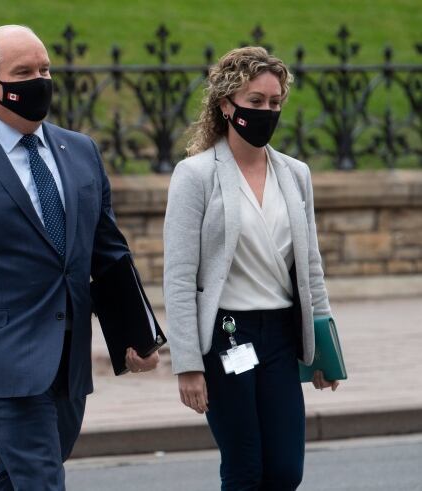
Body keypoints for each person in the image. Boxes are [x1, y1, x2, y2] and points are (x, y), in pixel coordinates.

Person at [0, 24, 159, 490]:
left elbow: (107, 251)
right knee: (42, 480)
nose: (39, 80)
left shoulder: (80, 151)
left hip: (68, 358)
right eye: (23, 72)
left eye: (44, 69)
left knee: (24, 478)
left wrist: (137, 334)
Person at [164, 46, 340, 490]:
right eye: (255, 102)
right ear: (226, 105)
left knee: (284, 470)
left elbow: (310, 266)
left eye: (275, 102)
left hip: (281, 336)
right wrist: (187, 364)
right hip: (227, 337)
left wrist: (321, 348)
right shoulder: (195, 175)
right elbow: (180, 276)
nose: (267, 111)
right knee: (245, 468)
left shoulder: (295, 174)